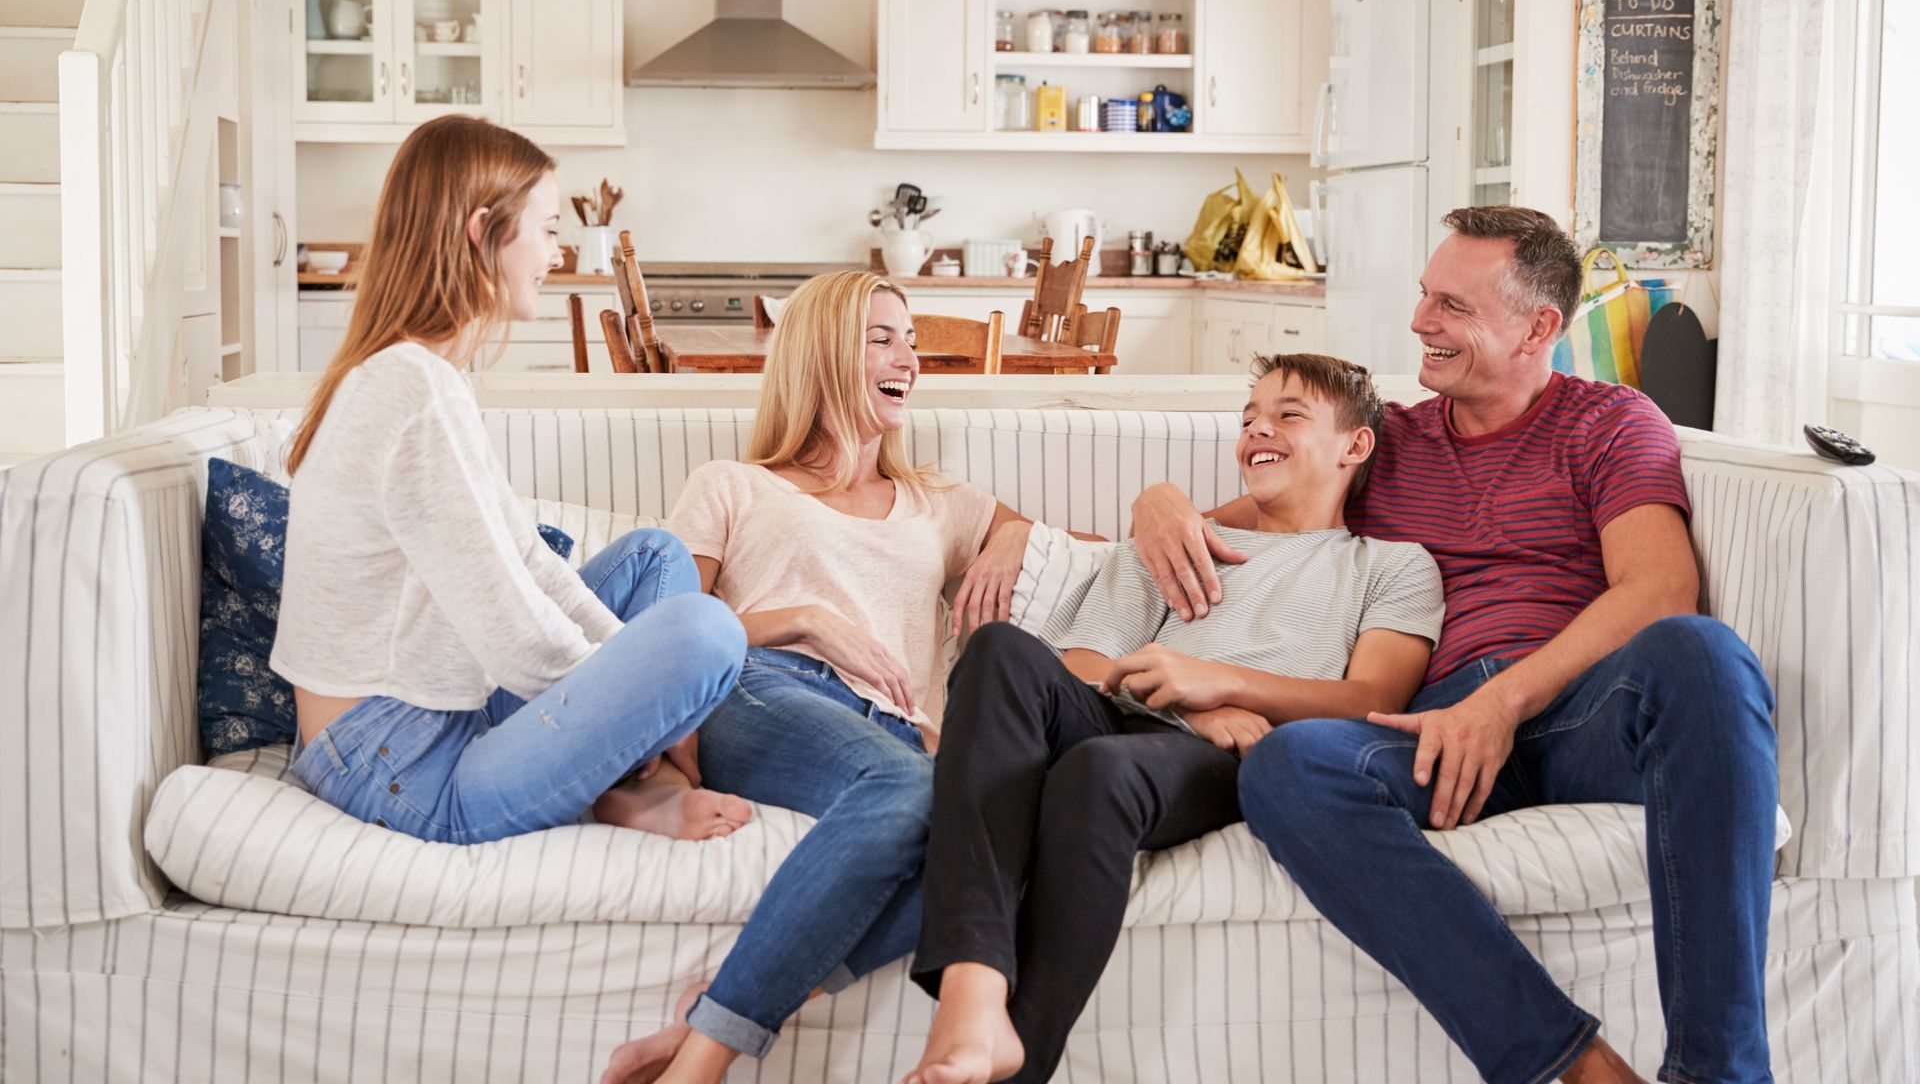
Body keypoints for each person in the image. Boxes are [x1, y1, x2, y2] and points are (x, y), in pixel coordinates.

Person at [1129, 206, 1777, 1084]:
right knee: (1288, 766)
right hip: (1433, 731)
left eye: (1453, 306)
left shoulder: (1611, 423)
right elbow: (1226, 524)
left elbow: (1659, 589)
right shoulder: (1386, 444)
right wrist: (1155, 502)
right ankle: (1574, 1068)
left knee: (1704, 655)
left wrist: (1502, 704)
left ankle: (1721, 1074)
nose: (1419, 323)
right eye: (1425, 296)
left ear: (1538, 327)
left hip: (1575, 711)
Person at [901, 353, 1446, 1084]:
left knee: (1100, 773)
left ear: (1355, 445)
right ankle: (972, 992)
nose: (1259, 428)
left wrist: (1220, 688)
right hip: (1128, 715)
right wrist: (1187, 696)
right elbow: (1083, 668)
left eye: (1289, 414)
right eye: (1248, 416)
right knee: (999, 648)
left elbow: (1368, 699)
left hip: (1229, 757)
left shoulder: (1391, 565)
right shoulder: (1177, 542)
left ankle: (1017, 1061)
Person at [602, 271, 1048, 1084]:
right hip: (764, 687)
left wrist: (1016, 536)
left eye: (911, 340)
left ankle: (715, 1017)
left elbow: (1059, 542)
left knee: (1002, 844)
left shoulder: (935, 500)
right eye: (881, 337)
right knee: (913, 791)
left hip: (895, 736)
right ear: (820, 357)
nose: (907, 357)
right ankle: (703, 1064)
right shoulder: (734, 486)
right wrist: (802, 620)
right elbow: (662, 645)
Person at [273, 114, 751, 847]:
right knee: (707, 633)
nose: (557, 255)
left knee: (657, 556)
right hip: (397, 767)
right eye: (548, 228)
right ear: (482, 232)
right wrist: (630, 707)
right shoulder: (413, 390)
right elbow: (512, 634)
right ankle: (632, 787)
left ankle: (622, 784)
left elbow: (525, 558)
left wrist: (629, 699)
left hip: (421, 722)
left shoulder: (420, 375)